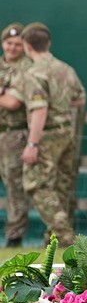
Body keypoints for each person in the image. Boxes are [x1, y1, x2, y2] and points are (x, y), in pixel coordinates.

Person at [13, 23, 86, 245]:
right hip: (66, 132)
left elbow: (39, 109)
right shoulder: (65, 69)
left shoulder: (33, 74)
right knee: (62, 185)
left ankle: (64, 234)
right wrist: (60, 105)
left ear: (27, 46)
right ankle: (53, 238)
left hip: (46, 135)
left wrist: (32, 144)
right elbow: (80, 99)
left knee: (36, 184)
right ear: (48, 43)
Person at [0, 22, 33, 247]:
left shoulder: (27, 68)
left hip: (14, 135)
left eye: (17, 44)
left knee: (14, 187)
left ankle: (14, 236)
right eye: (9, 43)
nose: (12, 48)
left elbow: (13, 103)